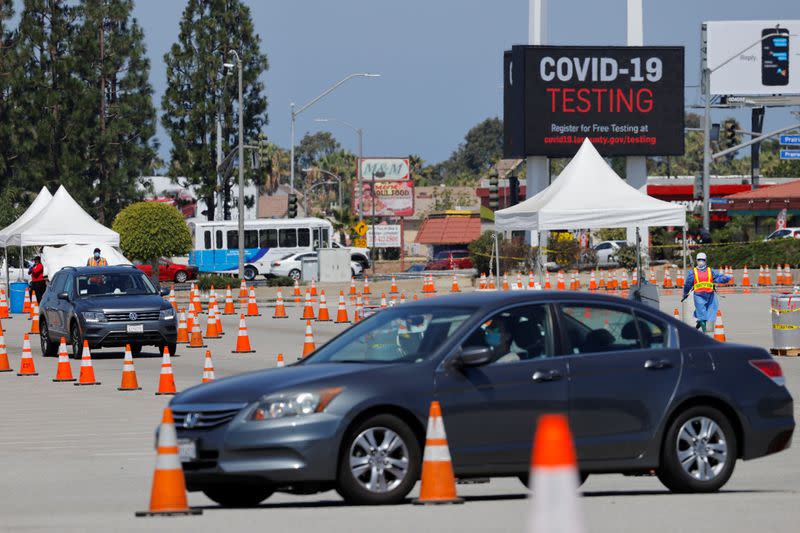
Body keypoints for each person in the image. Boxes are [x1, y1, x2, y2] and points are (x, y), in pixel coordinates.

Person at [681, 252, 731, 332]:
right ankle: (704, 331)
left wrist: (727, 278)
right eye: (700, 260)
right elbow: (688, 285)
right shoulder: (696, 272)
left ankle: (699, 324)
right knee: (702, 313)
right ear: (697, 261)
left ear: (705, 260)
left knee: (707, 312)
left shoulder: (709, 271)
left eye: (702, 260)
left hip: (709, 295)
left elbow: (719, 278)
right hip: (700, 296)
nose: (701, 261)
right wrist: (685, 294)